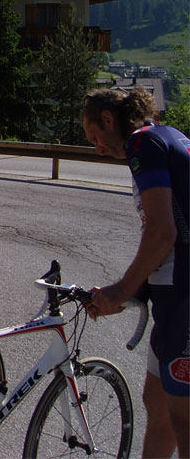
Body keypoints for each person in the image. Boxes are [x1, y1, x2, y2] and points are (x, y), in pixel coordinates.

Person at [82, 87, 189, 459]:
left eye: (95, 136)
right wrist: (134, 291)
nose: (97, 147)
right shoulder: (168, 134)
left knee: (184, 418)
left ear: (109, 120)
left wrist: (119, 291)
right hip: (173, 292)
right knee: (157, 404)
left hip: (185, 293)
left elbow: (163, 232)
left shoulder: (142, 144)